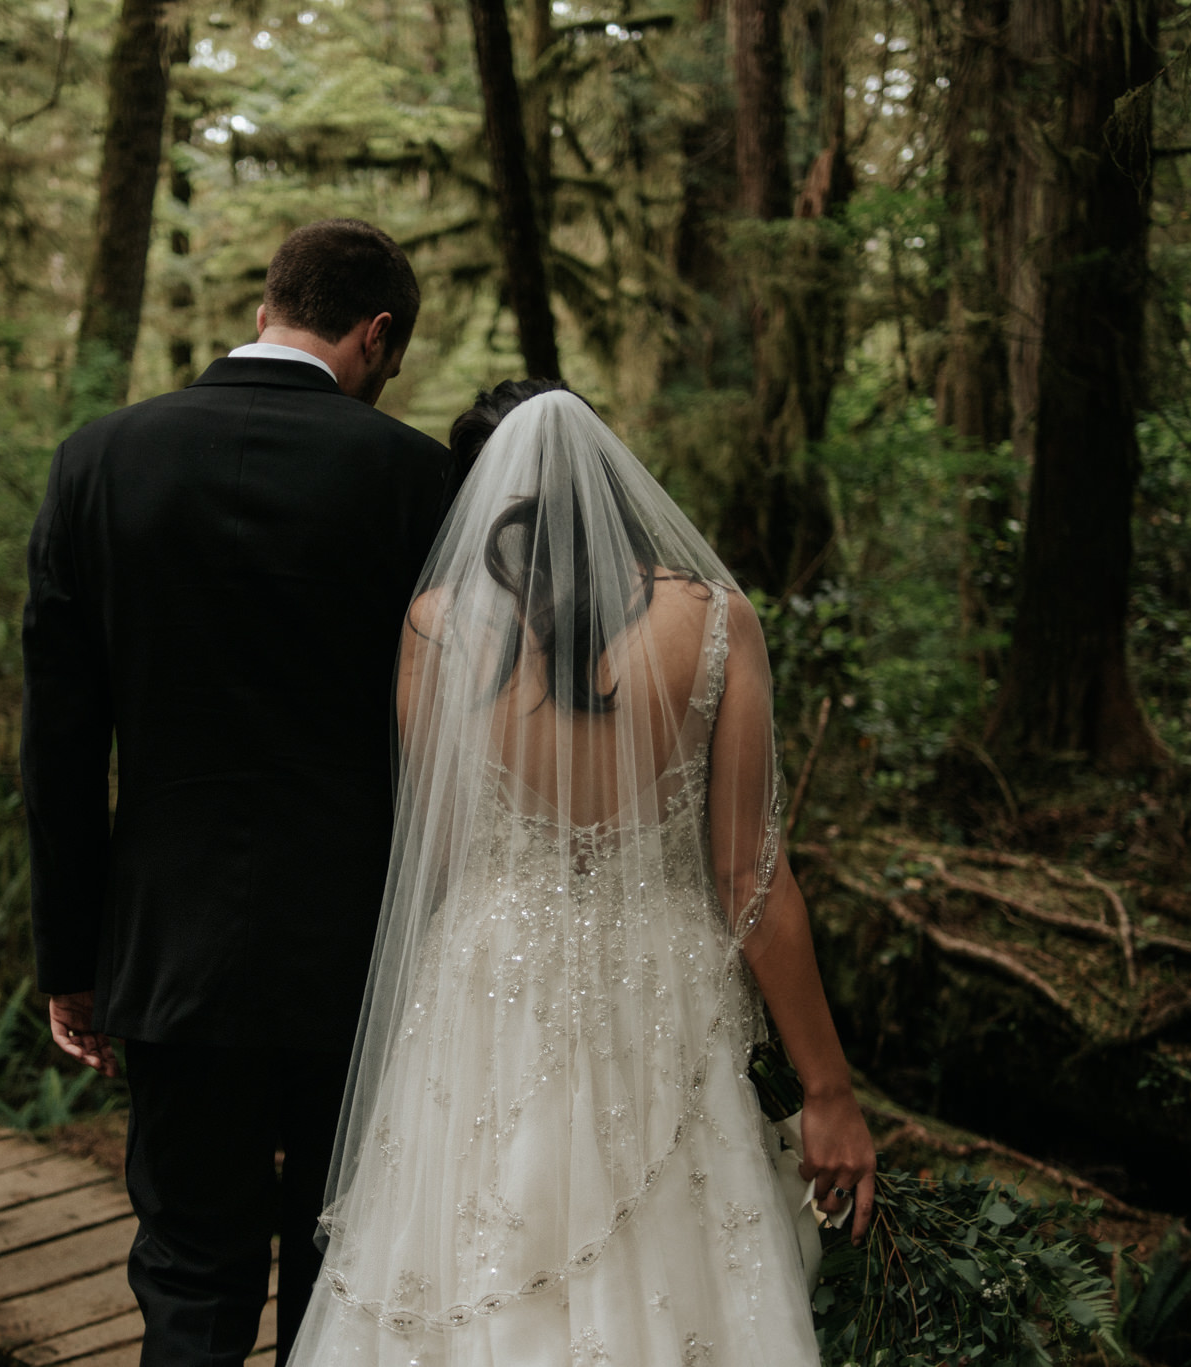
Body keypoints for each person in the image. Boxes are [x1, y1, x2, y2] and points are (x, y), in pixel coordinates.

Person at [288, 380, 877, 1367]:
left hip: (485, 988)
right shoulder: (719, 620)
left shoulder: (435, 626)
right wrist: (827, 1088)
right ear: (610, 482)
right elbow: (751, 879)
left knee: (469, 1258)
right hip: (657, 992)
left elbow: (431, 856)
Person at [21, 219, 459, 1367]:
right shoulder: (418, 479)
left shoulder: (98, 458)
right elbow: (456, 739)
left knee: (187, 1263)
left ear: (269, 305)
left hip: (169, 944)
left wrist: (71, 956)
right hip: (361, 950)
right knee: (344, 1256)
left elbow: (60, 741)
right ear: (374, 334)